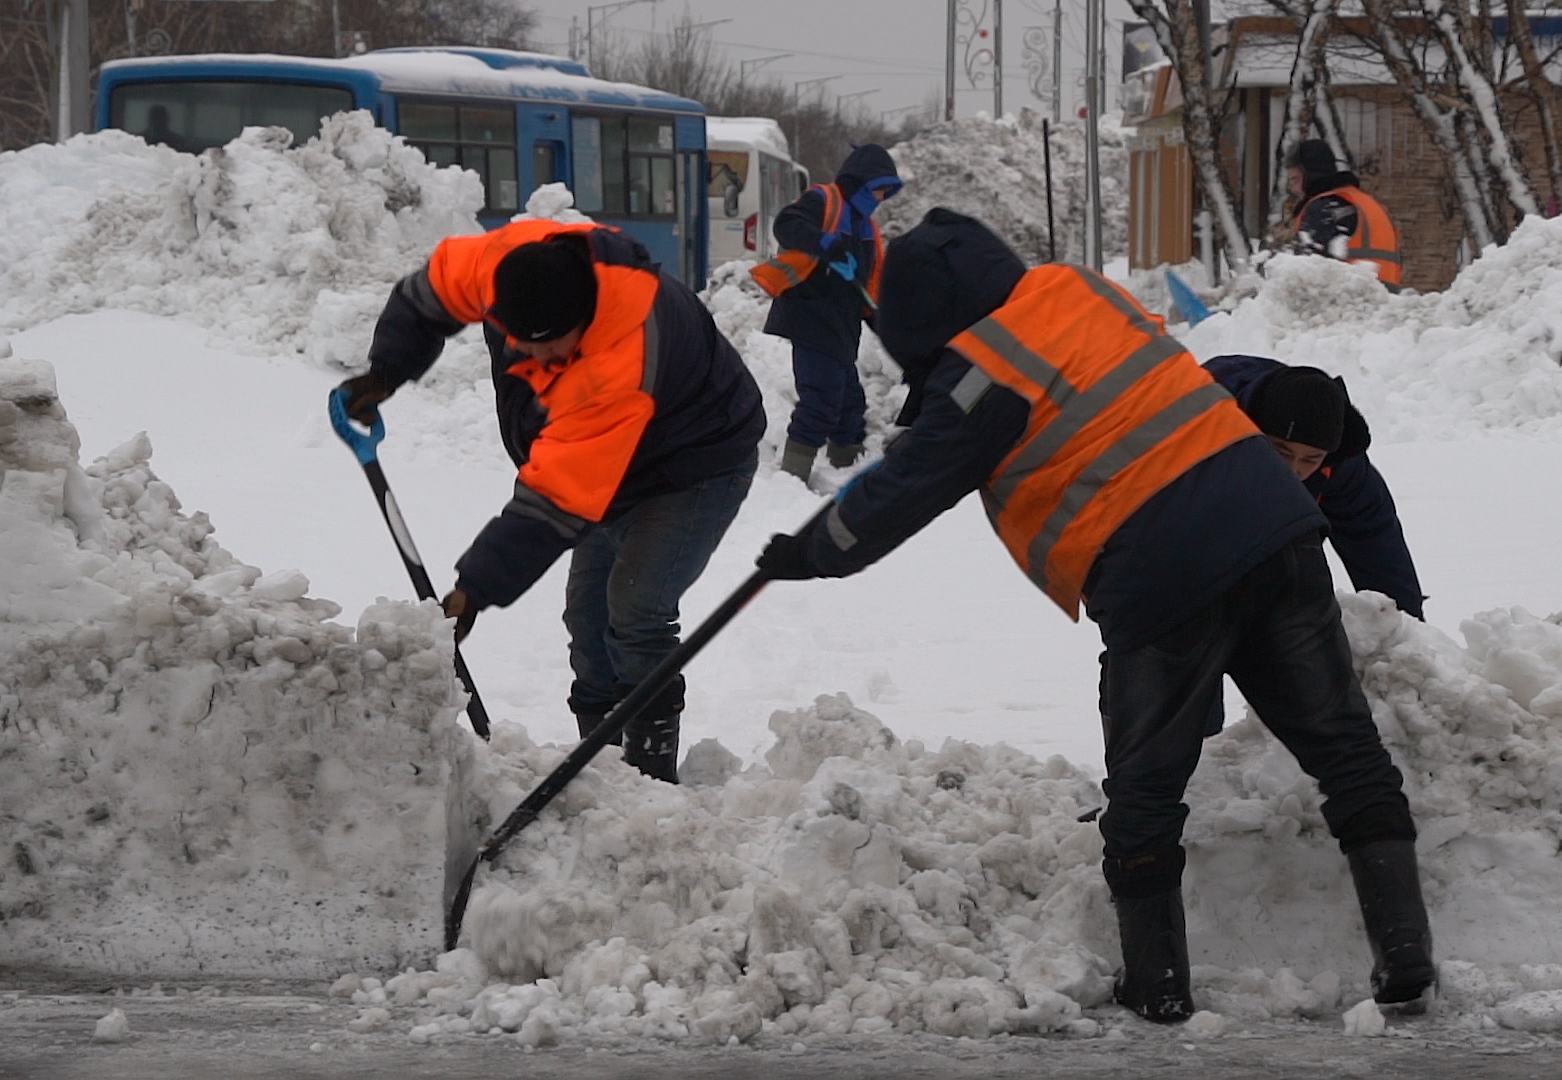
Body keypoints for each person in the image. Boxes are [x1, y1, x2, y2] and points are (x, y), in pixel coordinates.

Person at [753, 209, 1434, 1023]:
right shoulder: (1078, 291)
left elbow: (902, 494)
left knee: (1145, 792)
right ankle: (1406, 958)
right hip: (1277, 529)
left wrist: (808, 549)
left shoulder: (979, 375)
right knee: (1346, 750)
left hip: (1160, 573)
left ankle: (1159, 987)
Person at [334, 220, 765, 783]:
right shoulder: (499, 266)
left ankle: (652, 773)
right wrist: (386, 372)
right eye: (521, 340)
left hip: (697, 462)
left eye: (550, 344)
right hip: (611, 462)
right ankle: (603, 767)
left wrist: (475, 590)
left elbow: (554, 501)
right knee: (587, 619)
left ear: (583, 320)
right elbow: (424, 297)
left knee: (635, 609)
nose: (533, 355)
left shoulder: (620, 361)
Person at [1204, 355, 1424, 622]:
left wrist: (1404, 629)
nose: (1294, 469)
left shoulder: (1343, 464)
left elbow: (1376, 544)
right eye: (1280, 451)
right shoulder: (1203, 438)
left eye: (1311, 459)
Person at [752, 144, 903, 483]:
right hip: (810, 320)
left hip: (841, 329)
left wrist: (893, 333)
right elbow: (787, 225)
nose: (881, 197)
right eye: (879, 188)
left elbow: (868, 291)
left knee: (849, 407)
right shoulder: (824, 201)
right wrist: (825, 244)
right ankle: (791, 480)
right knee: (820, 402)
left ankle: (847, 471)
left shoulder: (867, 229)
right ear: (862, 181)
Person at [1285, 139, 1402, 288]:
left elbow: (1307, 272)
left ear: (1311, 176)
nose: (1293, 188)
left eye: (1295, 179)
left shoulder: (1325, 209)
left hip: (1347, 300)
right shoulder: (1369, 204)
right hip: (1386, 300)